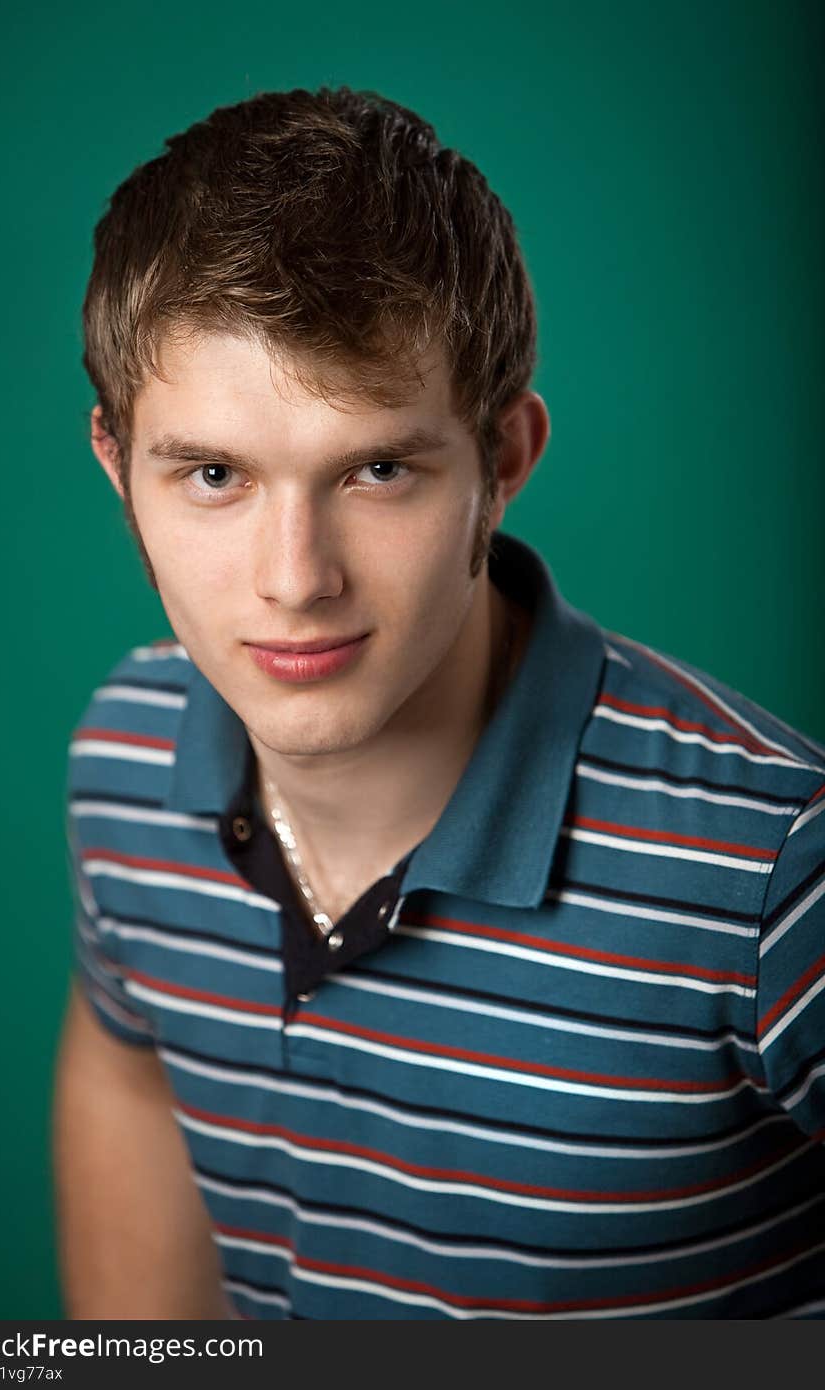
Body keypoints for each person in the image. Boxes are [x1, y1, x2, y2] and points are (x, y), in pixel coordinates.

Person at [53, 85, 825, 1321]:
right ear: (117, 467)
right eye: (212, 474)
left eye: (376, 469)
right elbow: (130, 1056)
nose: (294, 579)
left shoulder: (778, 873)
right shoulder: (126, 751)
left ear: (502, 461)